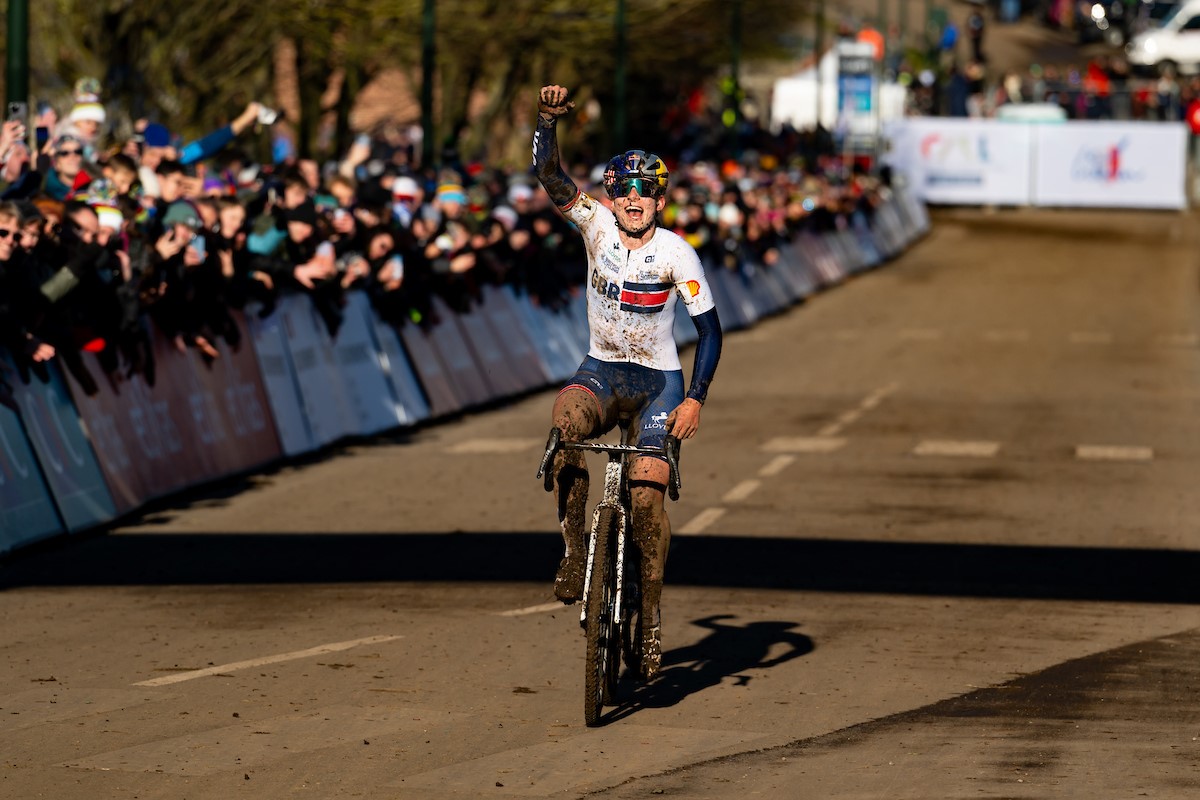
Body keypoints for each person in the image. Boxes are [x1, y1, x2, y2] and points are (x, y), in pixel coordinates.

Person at [533, 84, 723, 681]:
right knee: (565, 430)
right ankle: (574, 550)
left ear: (660, 199)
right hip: (601, 370)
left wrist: (695, 398)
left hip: (658, 386)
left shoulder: (678, 254)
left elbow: (712, 334)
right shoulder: (594, 226)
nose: (635, 199)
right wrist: (547, 121)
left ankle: (652, 618)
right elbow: (549, 174)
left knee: (645, 504)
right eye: (625, 189)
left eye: (647, 189)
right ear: (610, 197)